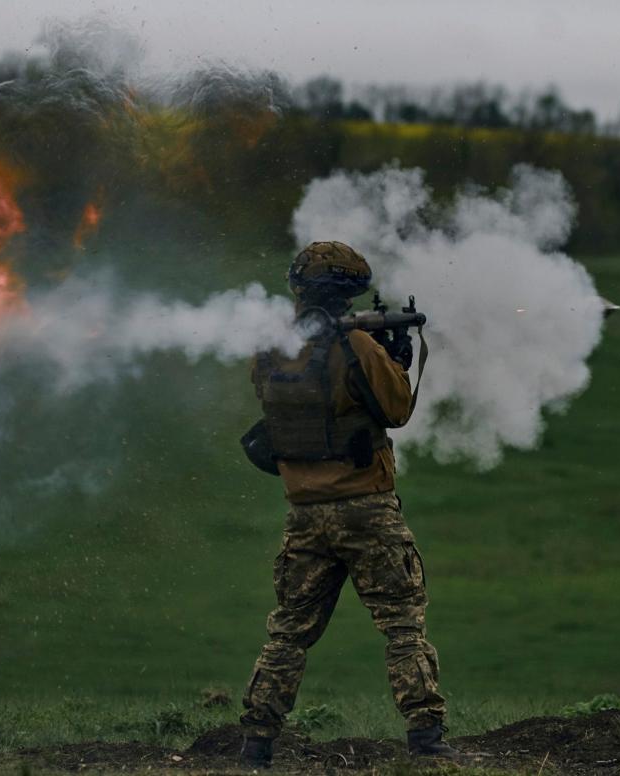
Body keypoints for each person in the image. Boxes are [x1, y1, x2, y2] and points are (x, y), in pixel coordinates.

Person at [237, 241, 466, 767]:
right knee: (403, 623)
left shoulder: (270, 348)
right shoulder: (358, 345)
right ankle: (426, 739)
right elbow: (397, 409)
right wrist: (396, 359)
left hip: (304, 512)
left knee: (289, 632)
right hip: (366, 508)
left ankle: (256, 742)